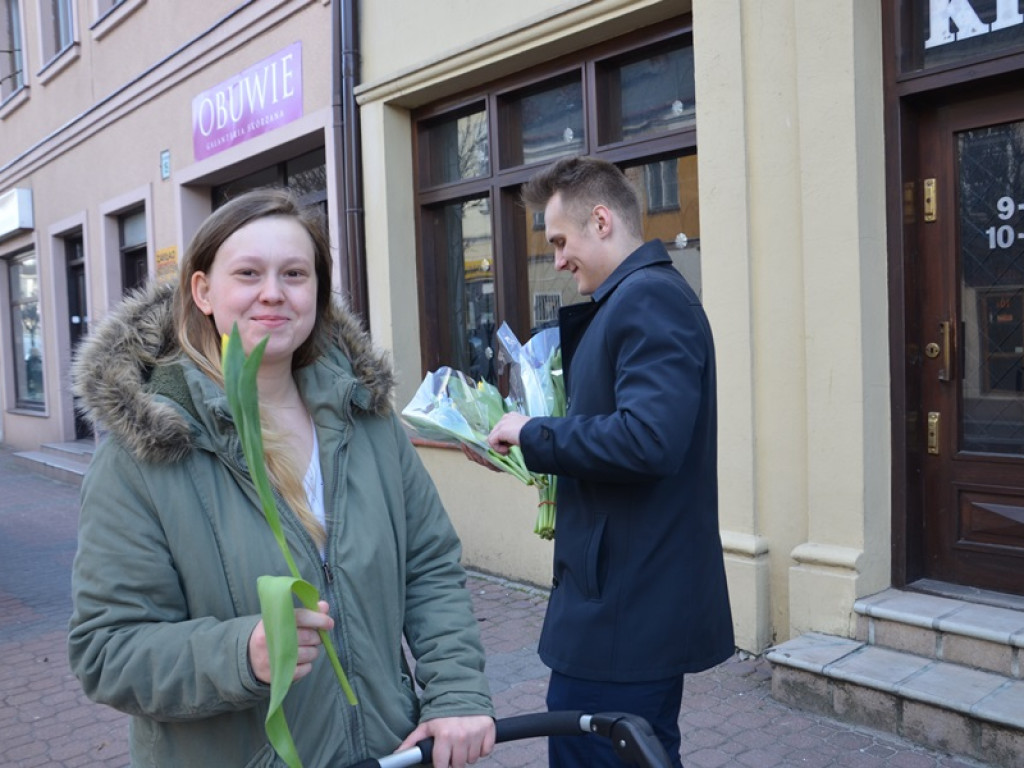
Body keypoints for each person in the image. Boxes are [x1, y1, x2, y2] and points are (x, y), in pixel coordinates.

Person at [68, 187, 495, 768]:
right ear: (203, 291)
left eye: (294, 273)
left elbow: (430, 569)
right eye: (248, 273)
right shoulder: (146, 452)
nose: (273, 292)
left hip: (388, 753)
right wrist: (242, 655)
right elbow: (106, 649)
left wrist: (455, 693)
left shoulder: (365, 420)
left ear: (317, 293)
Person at [474, 156, 734, 767]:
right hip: (617, 604)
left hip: (624, 613)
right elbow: (621, 436)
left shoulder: (648, 301)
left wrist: (538, 433)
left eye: (561, 241)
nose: (557, 259)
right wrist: (531, 453)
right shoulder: (635, 298)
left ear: (600, 221)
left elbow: (647, 440)